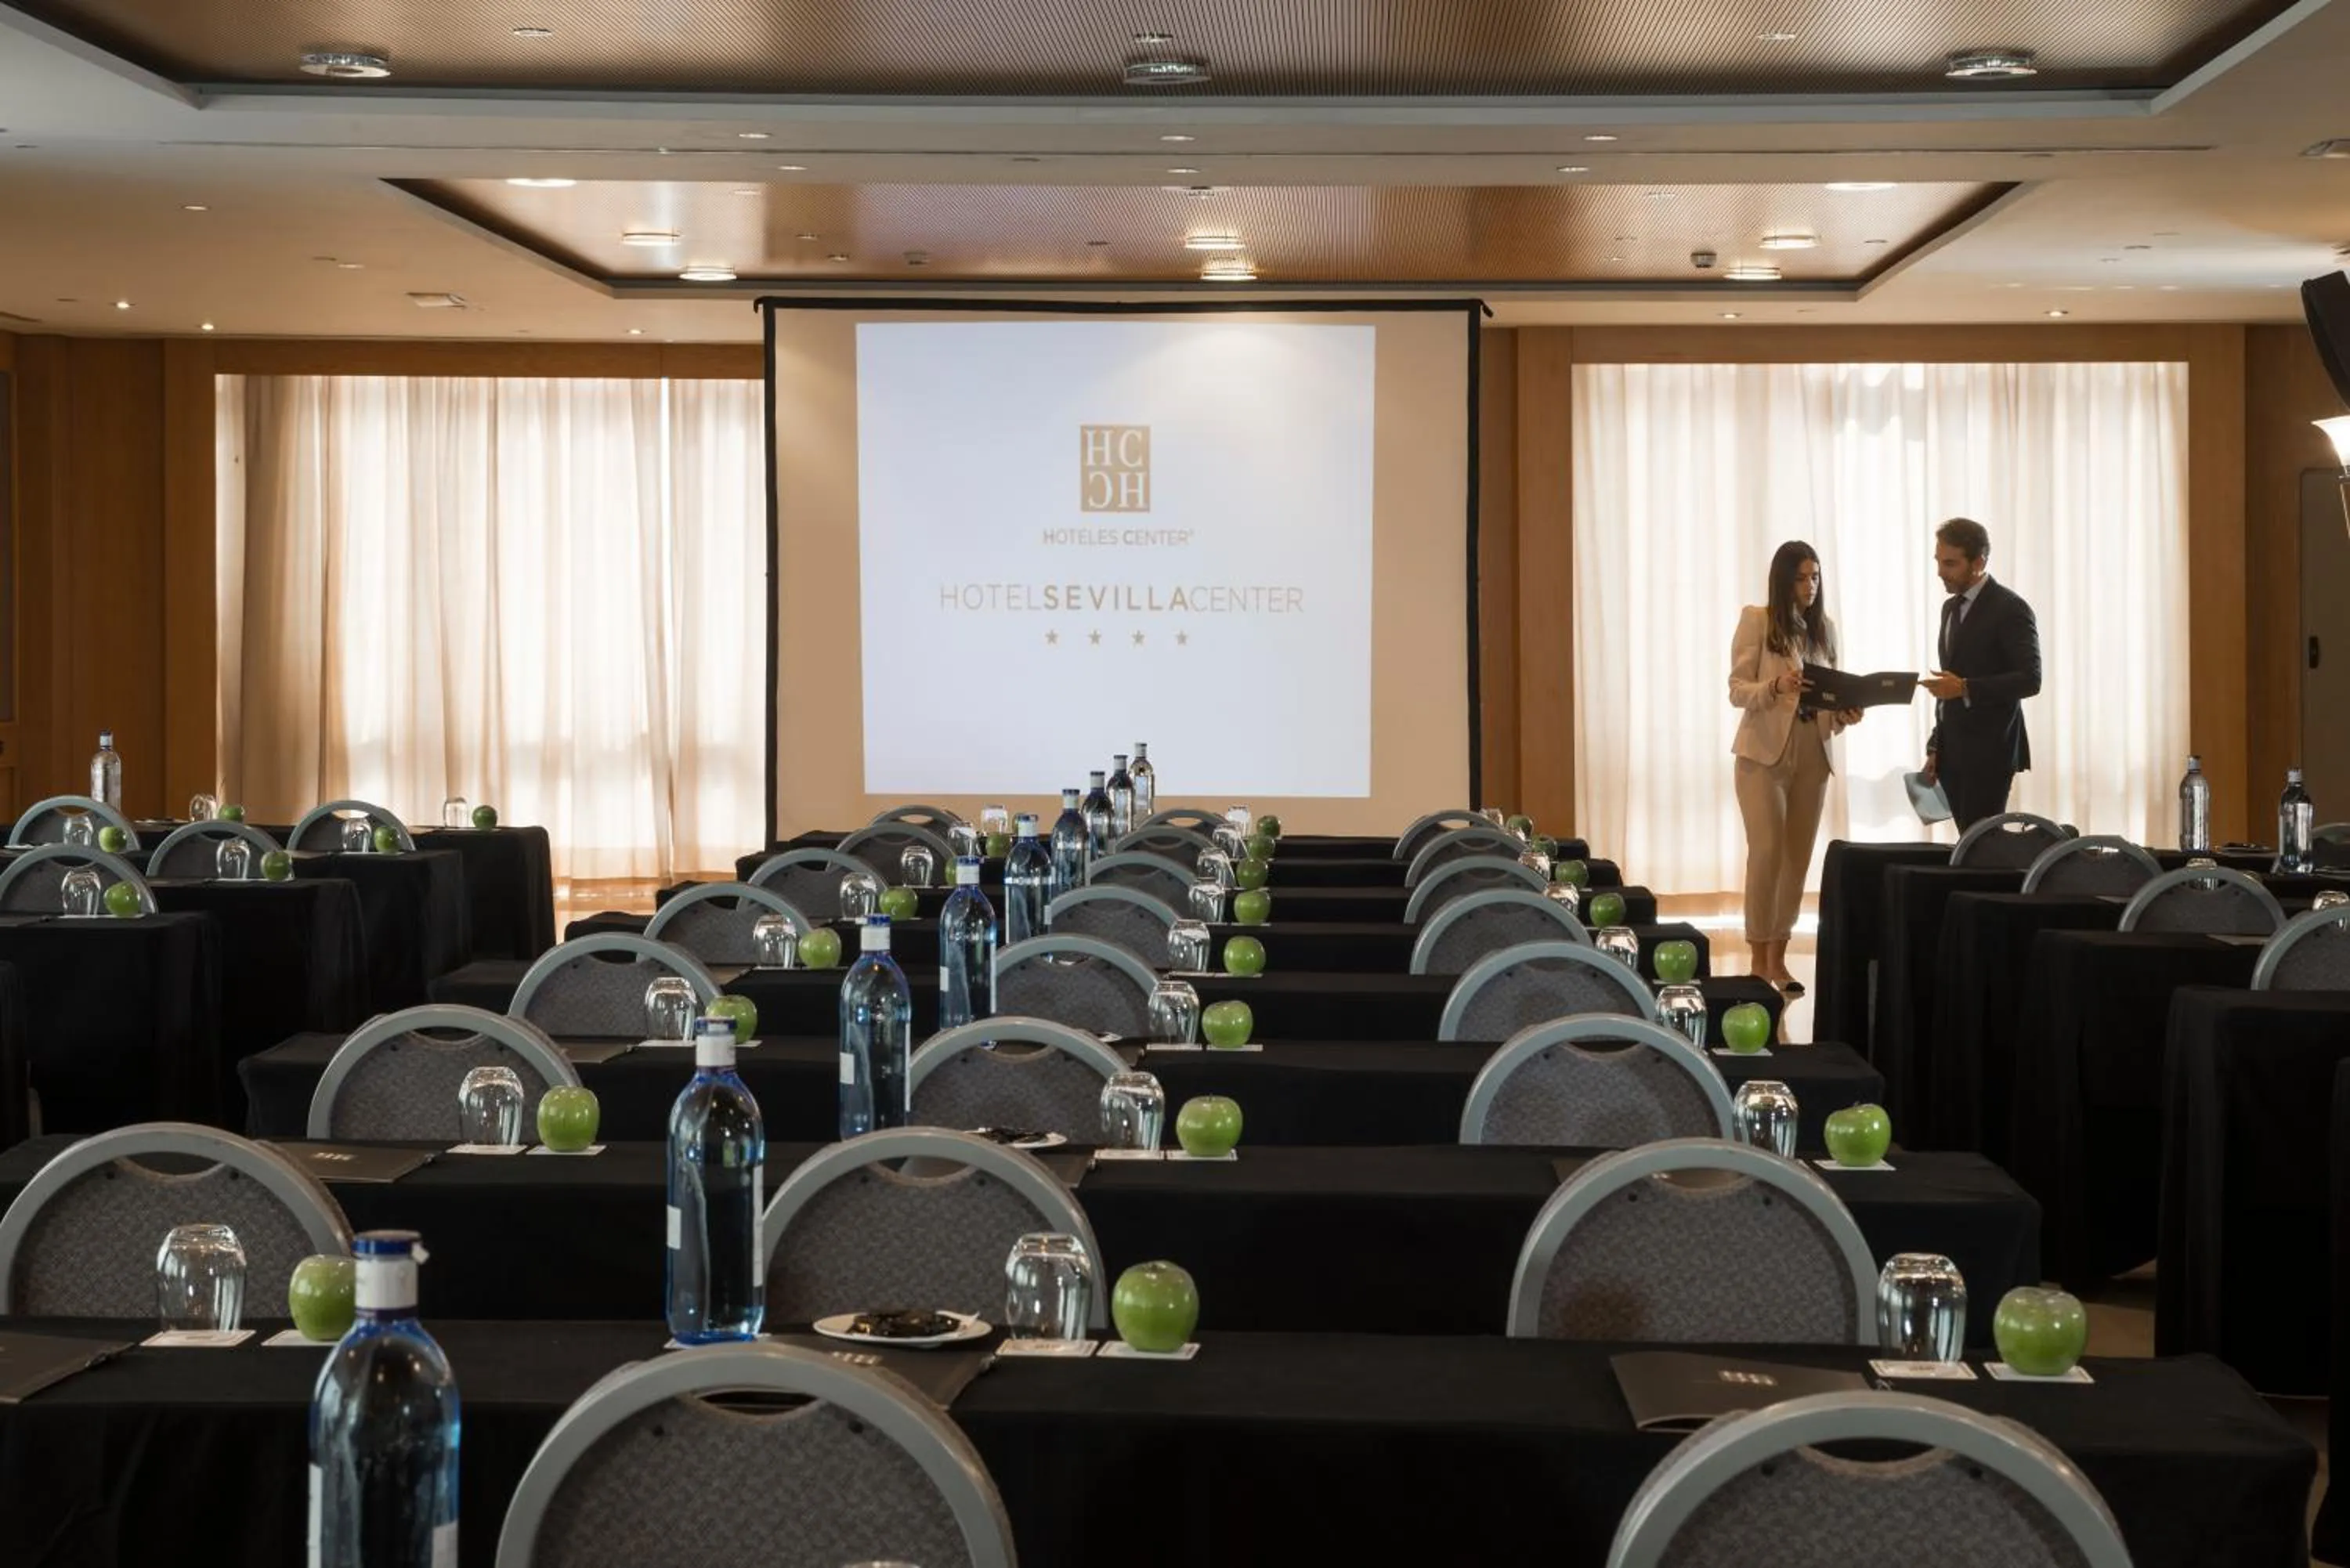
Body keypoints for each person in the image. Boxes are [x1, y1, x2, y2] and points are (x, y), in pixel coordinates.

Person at [1730, 541, 1861, 995]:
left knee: (1796, 858)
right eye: (1803, 577)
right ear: (1785, 578)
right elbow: (1737, 689)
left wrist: (1844, 715)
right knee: (1766, 852)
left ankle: (1780, 957)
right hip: (1764, 752)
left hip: (1813, 751)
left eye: (1816, 577)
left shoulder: (1824, 629)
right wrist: (1777, 685)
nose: (1811, 585)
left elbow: (1832, 693)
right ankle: (1757, 958)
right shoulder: (1758, 619)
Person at [1921, 518, 2041, 829]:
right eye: (1938, 561)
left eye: (1950, 563)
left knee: (1981, 852)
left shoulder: (2011, 608)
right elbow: (1948, 683)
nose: (1940, 572)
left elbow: (2030, 679)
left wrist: (1965, 688)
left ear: (1979, 562)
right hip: (1952, 752)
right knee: (1967, 848)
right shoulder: (1949, 609)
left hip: (1990, 752)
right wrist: (1937, 745)